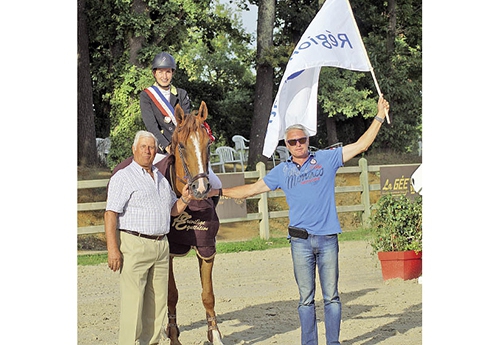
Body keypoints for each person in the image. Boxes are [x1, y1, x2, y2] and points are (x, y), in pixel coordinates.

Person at [219, 96, 390, 345]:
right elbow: (250, 190)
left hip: (327, 238)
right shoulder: (282, 171)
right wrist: (216, 192)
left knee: (331, 297)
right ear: (287, 145)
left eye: (302, 139)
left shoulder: (327, 159)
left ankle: (333, 343)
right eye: (293, 141)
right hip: (299, 242)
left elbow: (361, 145)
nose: (298, 144)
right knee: (305, 299)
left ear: (308, 140)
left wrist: (379, 116)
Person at [105, 130, 194, 345]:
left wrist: (185, 199)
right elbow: (110, 213)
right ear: (134, 149)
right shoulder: (123, 177)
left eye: (152, 147)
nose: (148, 150)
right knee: (133, 302)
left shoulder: (162, 180)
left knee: (157, 304)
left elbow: (173, 210)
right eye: (143, 147)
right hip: (135, 243)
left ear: (156, 151)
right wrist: (113, 248)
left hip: (161, 245)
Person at [139, 51, 221, 200]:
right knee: (150, 184)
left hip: (184, 146)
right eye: (161, 72)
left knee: (216, 183)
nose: (165, 76)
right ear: (154, 74)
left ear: (172, 73)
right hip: (160, 148)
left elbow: (187, 124)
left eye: (168, 72)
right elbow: (151, 126)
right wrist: (166, 145)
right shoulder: (146, 96)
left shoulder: (181, 94)